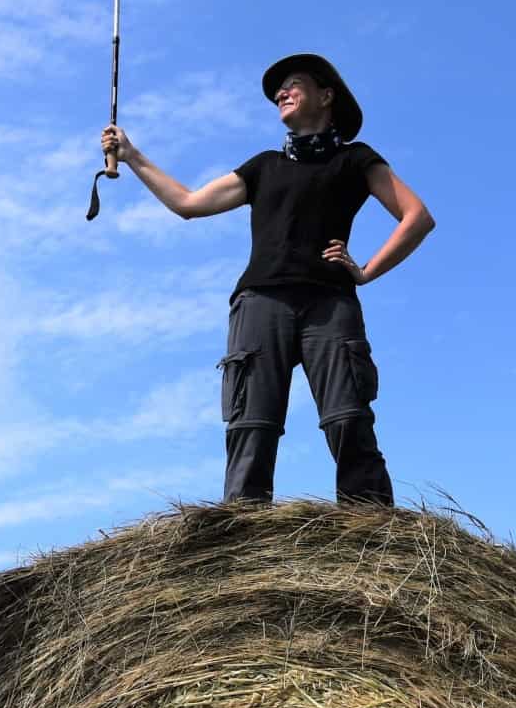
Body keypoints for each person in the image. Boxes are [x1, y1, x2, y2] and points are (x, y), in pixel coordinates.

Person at [101, 53, 434, 506]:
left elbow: (417, 217)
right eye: (279, 89)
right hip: (260, 302)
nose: (281, 92)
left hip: (330, 303)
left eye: (293, 83)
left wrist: (367, 271)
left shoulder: (356, 159)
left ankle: (371, 527)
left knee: (348, 418)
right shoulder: (263, 166)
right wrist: (132, 155)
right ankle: (243, 529)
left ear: (326, 96)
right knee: (252, 425)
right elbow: (188, 203)